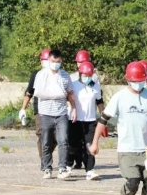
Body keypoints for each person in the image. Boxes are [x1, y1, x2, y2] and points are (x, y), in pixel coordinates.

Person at [89, 61, 147, 195]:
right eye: (135, 81)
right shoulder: (119, 97)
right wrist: (95, 142)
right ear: (128, 79)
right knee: (133, 181)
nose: (138, 84)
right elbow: (103, 119)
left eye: (141, 80)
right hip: (127, 148)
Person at [33, 49, 76, 180]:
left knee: (63, 141)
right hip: (45, 114)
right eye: (53, 61)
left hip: (61, 113)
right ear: (48, 60)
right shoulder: (41, 75)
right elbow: (38, 92)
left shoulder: (65, 76)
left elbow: (70, 93)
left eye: (58, 61)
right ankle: (47, 168)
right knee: (46, 142)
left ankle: (62, 168)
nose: (55, 64)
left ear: (61, 61)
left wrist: (74, 109)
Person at [19, 48, 55, 167]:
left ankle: (46, 155)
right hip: (40, 110)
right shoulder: (36, 75)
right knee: (42, 135)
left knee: (56, 136)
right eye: (43, 60)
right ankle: (45, 162)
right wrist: (23, 108)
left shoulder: (58, 74)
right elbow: (29, 92)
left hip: (55, 109)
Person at [68, 61, 103, 180]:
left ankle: (90, 170)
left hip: (90, 120)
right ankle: (68, 167)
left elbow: (99, 101)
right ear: (80, 73)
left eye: (89, 75)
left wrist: (102, 116)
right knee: (73, 145)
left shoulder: (95, 85)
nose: (87, 77)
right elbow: (68, 100)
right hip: (75, 120)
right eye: (84, 75)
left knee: (89, 146)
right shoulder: (73, 85)